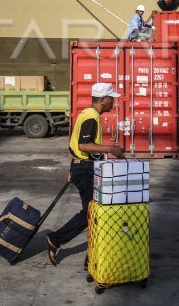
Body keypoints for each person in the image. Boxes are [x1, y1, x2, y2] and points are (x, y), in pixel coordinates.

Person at [46, 82, 124, 266]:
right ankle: (57, 239)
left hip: (80, 167)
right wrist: (111, 148)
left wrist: (71, 168)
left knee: (91, 212)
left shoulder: (85, 113)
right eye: (111, 99)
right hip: (85, 169)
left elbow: (73, 146)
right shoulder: (92, 117)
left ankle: (90, 254)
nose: (113, 102)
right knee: (92, 213)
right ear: (103, 99)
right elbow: (83, 145)